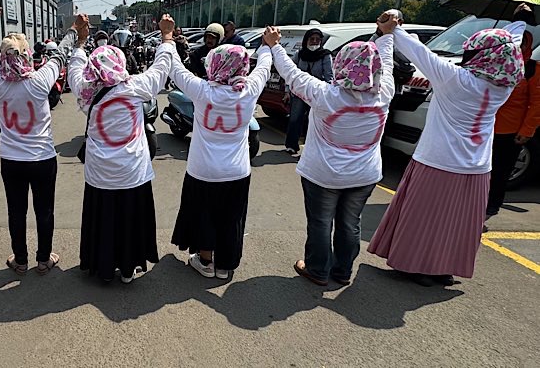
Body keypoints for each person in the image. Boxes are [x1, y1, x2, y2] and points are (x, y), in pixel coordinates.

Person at [368, 7, 528, 286]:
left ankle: (414, 267)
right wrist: (519, 21)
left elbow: (420, 53)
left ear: (481, 55)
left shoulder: (457, 79)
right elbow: (509, 43)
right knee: (458, 224)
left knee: (423, 219)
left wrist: (393, 28)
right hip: (477, 167)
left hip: (438, 161)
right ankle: (443, 270)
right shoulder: (504, 86)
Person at [265, 24, 394, 286]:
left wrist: (274, 45)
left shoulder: (325, 95)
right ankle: (342, 272)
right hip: (364, 175)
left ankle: (317, 270)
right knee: (350, 225)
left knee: (321, 223)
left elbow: (292, 74)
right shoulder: (385, 93)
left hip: (323, 175)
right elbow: (388, 63)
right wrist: (387, 35)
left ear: (342, 64)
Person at [165, 15, 273, 281]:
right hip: (237, 171)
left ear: (214, 64)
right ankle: (225, 267)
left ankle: (205, 261)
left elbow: (175, 69)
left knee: (204, 216)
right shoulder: (249, 90)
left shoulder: (202, 90)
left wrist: (167, 38)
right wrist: (269, 45)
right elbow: (265, 67)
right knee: (231, 218)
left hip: (202, 170)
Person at [69, 14, 175, 284]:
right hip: (132, 173)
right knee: (129, 219)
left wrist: (80, 43)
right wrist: (166, 38)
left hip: (100, 174)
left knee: (103, 219)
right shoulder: (136, 87)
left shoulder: (85, 93)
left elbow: (74, 70)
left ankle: (102, 267)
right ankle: (128, 268)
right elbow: (162, 68)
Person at [0, 12, 78, 275]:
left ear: (4, 58)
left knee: (16, 212)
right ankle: (44, 259)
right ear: (27, 56)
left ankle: (21, 260)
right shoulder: (39, 81)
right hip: (42, 159)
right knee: (44, 210)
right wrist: (72, 30)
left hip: (11, 160)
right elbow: (59, 55)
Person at [486, 8, 538, 229]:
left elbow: (537, 103)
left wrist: (527, 130)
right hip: (485, 126)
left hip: (510, 131)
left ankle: (489, 210)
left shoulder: (532, 69)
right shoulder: (495, 58)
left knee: (499, 173)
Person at [284, 28, 333, 156]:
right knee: (295, 119)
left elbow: (329, 76)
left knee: (315, 121)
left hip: (317, 93)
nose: (315, 42)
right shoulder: (300, 54)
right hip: (299, 93)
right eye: (312, 39)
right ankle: (291, 145)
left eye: (318, 39)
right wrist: (287, 91)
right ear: (306, 40)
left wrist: (329, 94)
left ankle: (312, 147)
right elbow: (290, 73)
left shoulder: (325, 55)